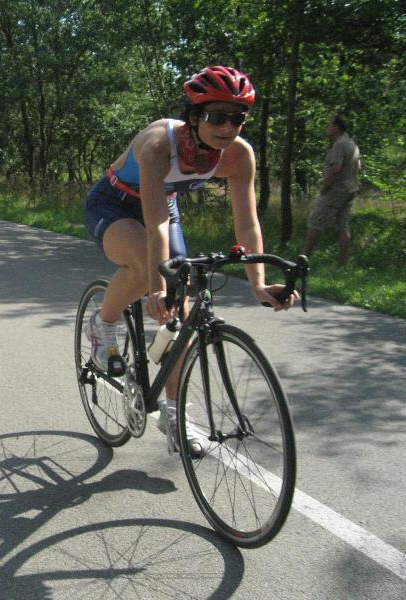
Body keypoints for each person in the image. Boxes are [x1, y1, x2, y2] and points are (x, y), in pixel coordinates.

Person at [83, 65, 297, 455]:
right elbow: (155, 230)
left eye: (237, 117)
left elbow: (247, 223)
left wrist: (258, 284)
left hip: (162, 208)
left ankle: (174, 413)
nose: (228, 127)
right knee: (146, 268)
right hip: (115, 204)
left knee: (180, 315)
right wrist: (157, 288)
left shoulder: (239, 155)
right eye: (217, 116)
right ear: (194, 117)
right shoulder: (158, 146)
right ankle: (104, 323)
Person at [303, 114, 361, 264]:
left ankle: (302, 259)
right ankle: (343, 262)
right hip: (350, 190)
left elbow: (335, 169)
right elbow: (359, 167)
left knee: (315, 223)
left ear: (336, 127)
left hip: (336, 191)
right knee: (343, 226)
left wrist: (325, 187)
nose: (327, 127)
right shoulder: (352, 144)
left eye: (329, 125)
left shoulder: (339, 145)